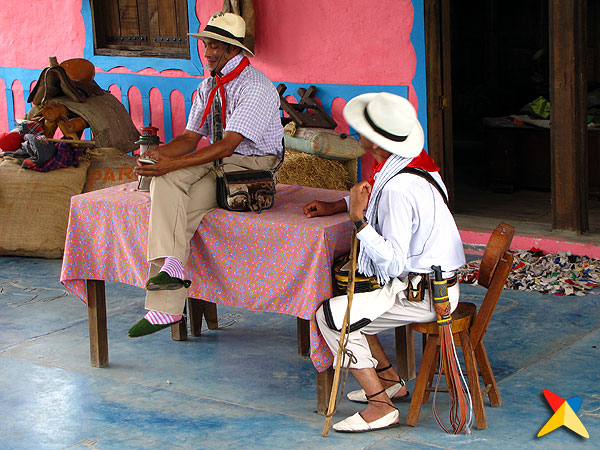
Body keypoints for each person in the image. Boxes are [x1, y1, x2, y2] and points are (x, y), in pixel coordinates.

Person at [304, 92, 465, 433]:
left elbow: (392, 264)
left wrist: (359, 222)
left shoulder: (397, 188)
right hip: (437, 285)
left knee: (330, 316)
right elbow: (373, 193)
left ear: (376, 142)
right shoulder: (417, 167)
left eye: (361, 129)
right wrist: (340, 206)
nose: (355, 133)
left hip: (425, 298)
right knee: (359, 304)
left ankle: (381, 405)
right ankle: (391, 382)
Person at [129, 11, 284, 337]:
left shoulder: (255, 87)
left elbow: (228, 145)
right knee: (173, 202)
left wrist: (170, 165)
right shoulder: (210, 84)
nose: (208, 52)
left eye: (215, 46)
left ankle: (165, 298)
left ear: (233, 51)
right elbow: (189, 138)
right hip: (222, 165)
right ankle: (166, 304)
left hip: (251, 165)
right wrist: (155, 157)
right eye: (206, 45)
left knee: (170, 178)